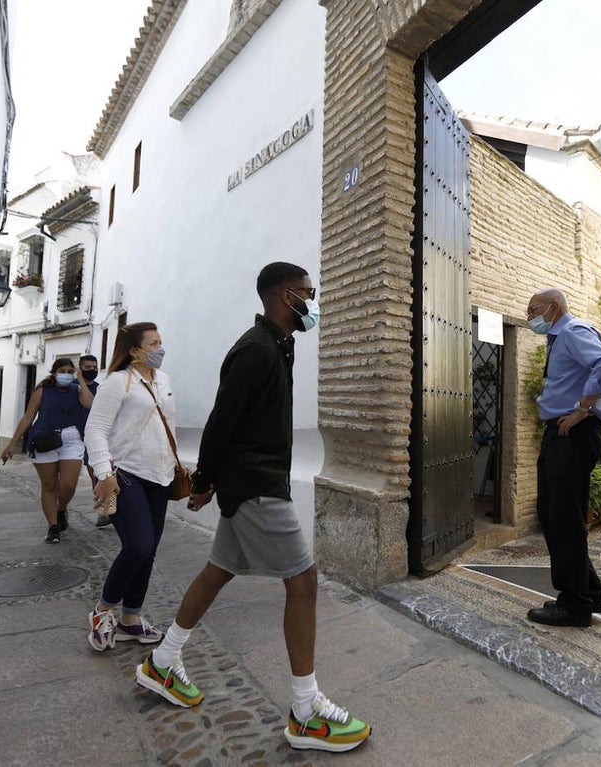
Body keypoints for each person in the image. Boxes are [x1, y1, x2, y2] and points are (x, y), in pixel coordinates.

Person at [135, 263, 371, 754]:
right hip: (256, 485)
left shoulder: (278, 345)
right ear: (288, 296)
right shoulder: (255, 349)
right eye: (310, 292)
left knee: (218, 570)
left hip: (254, 481)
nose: (314, 300)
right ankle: (305, 711)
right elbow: (223, 421)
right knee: (303, 581)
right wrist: (205, 482)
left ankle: (164, 659)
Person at [524, 288, 601, 627]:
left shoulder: (572, 331)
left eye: (533, 309)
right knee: (555, 512)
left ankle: (575, 604)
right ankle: (588, 593)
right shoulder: (560, 337)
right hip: (562, 434)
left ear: (553, 307)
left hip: (572, 434)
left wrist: (582, 410)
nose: (529, 316)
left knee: (562, 515)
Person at [84, 323, 177, 649]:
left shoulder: (163, 380)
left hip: (160, 475)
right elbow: (94, 429)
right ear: (135, 350)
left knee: (148, 550)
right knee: (138, 545)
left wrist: (176, 461)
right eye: (153, 343)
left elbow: (167, 425)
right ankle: (103, 610)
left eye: (160, 341)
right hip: (126, 474)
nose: (160, 348)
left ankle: (130, 619)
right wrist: (103, 472)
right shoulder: (116, 382)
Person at [1, 357, 95, 543]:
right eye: (63, 371)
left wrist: (81, 380)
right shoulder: (42, 391)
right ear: (54, 372)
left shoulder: (77, 390)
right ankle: (53, 526)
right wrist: (12, 443)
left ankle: (61, 508)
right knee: (49, 485)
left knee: (68, 485)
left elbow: (90, 404)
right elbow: (28, 417)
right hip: (45, 439)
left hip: (71, 439)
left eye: (70, 372)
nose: (66, 375)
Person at [77, 354, 115, 530]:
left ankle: (105, 512)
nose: (92, 370)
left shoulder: (101, 389)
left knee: (100, 474)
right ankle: (103, 511)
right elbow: (86, 404)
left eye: (95, 367)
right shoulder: (73, 387)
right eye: (88, 367)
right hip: (79, 438)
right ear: (80, 369)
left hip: (99, 438)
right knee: (95, 476)